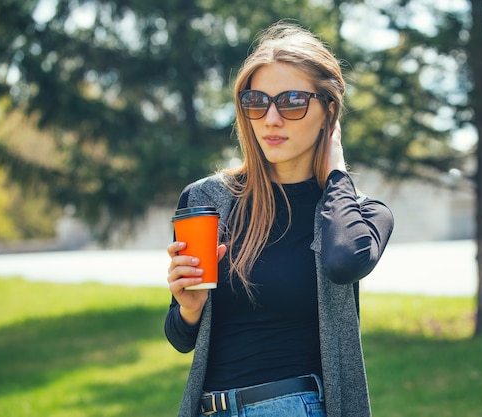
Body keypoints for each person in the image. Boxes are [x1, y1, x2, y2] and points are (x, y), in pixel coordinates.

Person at [164, 20, 394, 417]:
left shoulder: (359, 214)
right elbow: (181, 339)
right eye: (257, 102)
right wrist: (188, 307)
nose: (270, 119)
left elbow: (343, 261)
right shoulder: (207, 199)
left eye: (291, 102)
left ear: (328, 111)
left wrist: (336, 172)